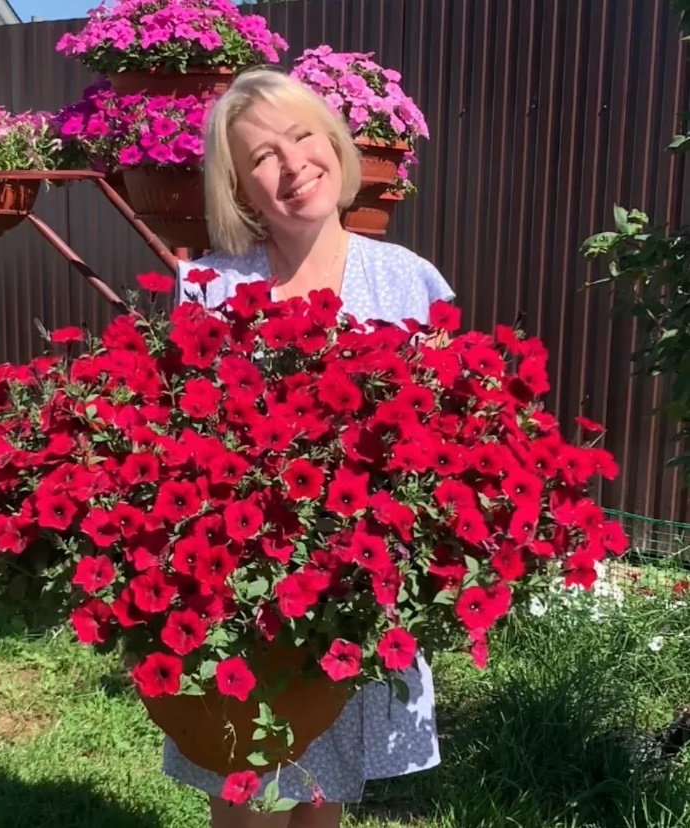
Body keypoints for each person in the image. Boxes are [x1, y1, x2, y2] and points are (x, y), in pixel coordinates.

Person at [169, 67, 455, 828]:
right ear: (239, 189)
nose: (293, 164)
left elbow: (450, 435)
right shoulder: (210, 287)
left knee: (325, 795)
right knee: (247, 799)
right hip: (243, 582)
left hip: (358, 585)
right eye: (262, 156)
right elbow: (179, 434)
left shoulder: (409, 282)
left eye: (303, 137)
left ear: (335, 144)